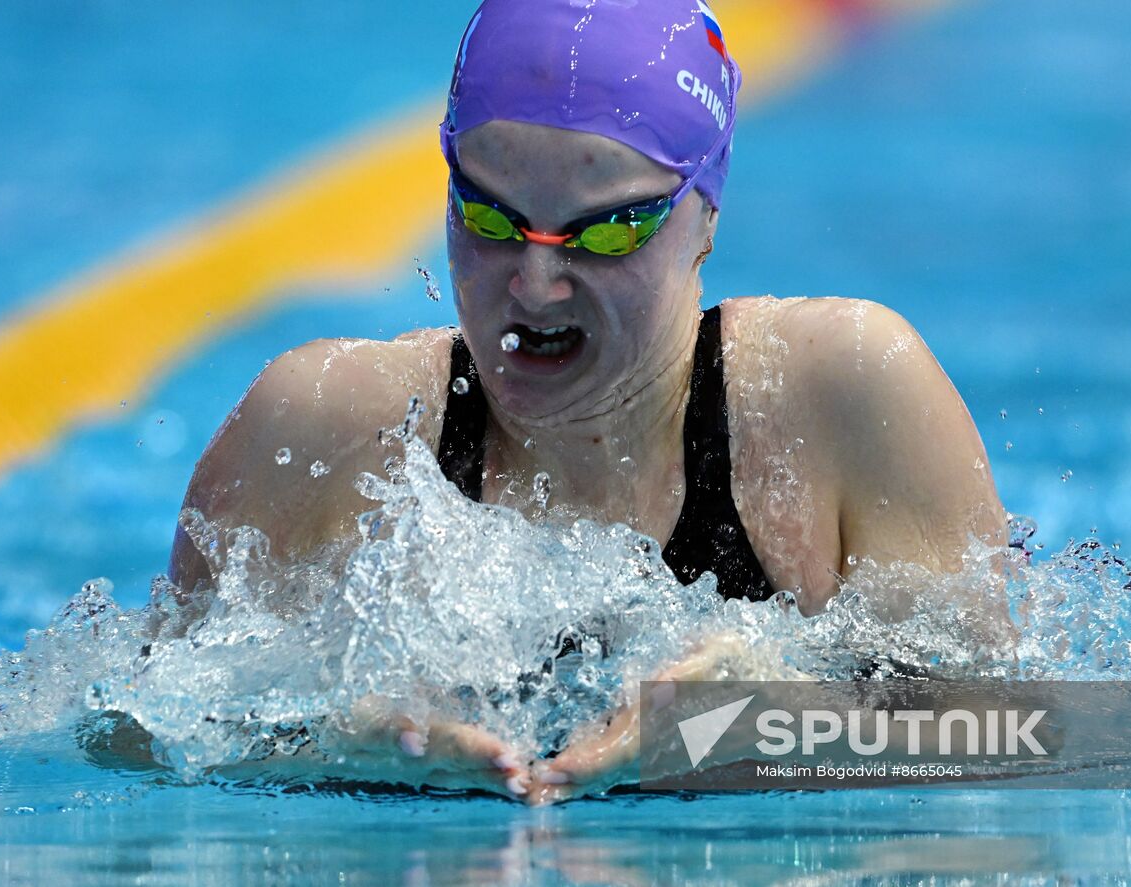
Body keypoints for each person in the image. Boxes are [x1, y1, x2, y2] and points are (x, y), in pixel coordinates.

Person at [169, 0, 1005, 803]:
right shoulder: (318, 427)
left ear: (705, 217)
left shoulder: (844, 396)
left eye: (607, 231)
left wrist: (780, 716)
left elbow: (1032, 744)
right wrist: (318, 746)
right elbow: (125, 735)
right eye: (489, 217)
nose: (535, 285)